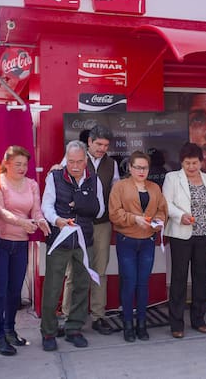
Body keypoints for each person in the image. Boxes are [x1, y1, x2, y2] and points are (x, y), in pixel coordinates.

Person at [40, 140, 105, 351]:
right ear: (65, 159)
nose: (75, 166)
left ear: (86, 160)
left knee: (82, 285)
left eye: (79, 162)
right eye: (71, 162)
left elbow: (100, 210)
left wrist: (79, 203)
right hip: (59, 239)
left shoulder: (94, 180)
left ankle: (74, 328)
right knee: (52, 287)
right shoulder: (55, 176)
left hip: (84, 240)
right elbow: (46, 206)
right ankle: (48, 332)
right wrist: (57, 220)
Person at [61, 124, 119, 335]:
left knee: (99, 271)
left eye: (105, 145)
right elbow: (61, 182)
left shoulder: (112, 164)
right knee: (73, 272)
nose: (102, 148)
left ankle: (98, 316)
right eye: (98, 144)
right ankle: (68, 316)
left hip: (102, 225)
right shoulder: (75, 157)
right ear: (89, 142)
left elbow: (115, 192)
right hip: (77, 224)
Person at [0, 145, 49, 355]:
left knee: (14, 291)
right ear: (6, 164)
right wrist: (23, 223)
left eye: (25, 164)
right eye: (17, 164)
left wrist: (41, 222)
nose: (22, 168)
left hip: (21, 243)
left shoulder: (32, 184)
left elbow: (36, 209)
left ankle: (10, 329)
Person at [162, 142, 206, 339]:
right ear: (182, 162)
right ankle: (176, 323)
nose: (191, 167)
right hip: (182, 235)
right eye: (187, 163)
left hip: (205, 235)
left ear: (201, 162)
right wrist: (180, 215)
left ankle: (199, 319)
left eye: (195, 162)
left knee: (201, 278)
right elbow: (166, 203)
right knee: (179, 279)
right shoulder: (173, 178)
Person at [109, 151, 168, 342]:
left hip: (147, 241)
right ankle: (128, 324)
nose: (142, 171)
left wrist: (158, 222)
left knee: (143, 283)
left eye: (145, 168)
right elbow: (114, 213)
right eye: (138, 167)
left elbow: (162, 210)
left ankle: (141, 323)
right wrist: (134, 219)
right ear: (130, 168)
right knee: (129, 282)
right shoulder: (120, 187)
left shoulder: (154, 188)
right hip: (127, 240)